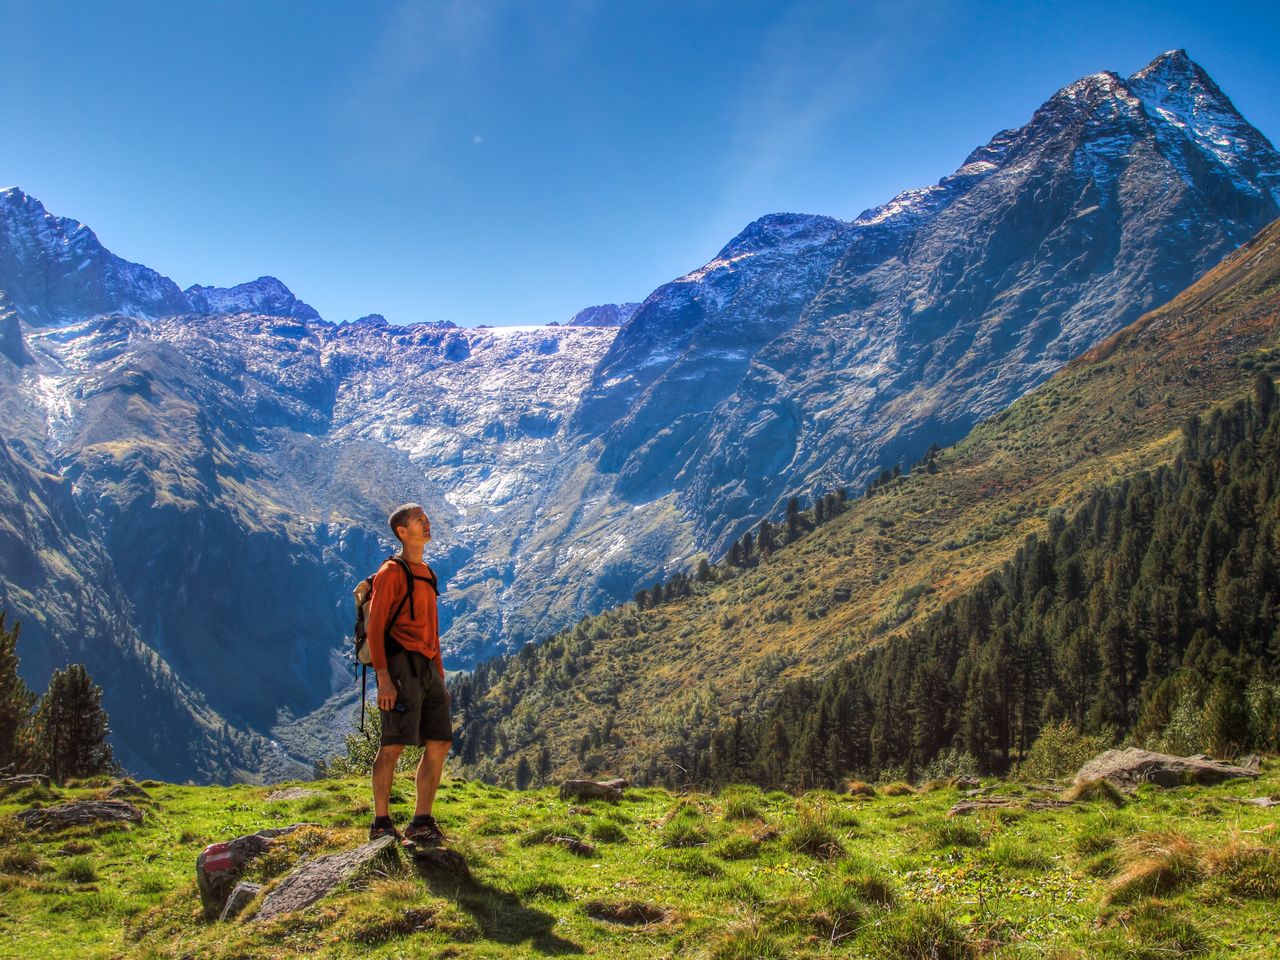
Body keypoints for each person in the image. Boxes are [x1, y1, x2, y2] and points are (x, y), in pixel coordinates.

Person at [364, 502, 451, 845]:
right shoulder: (392, 572)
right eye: (420, 521)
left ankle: (421, 820)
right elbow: (375, 628)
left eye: (426, 519)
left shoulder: (427, 573)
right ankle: (381, 822)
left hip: (428, 666)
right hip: (400, 667)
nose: (427, 524)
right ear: (402, 532)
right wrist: (384, 678)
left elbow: (432, 629)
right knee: (393, 744)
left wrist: (440, 676)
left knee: (440, 742)